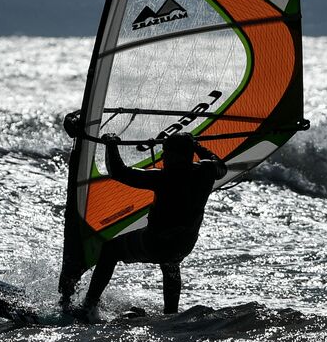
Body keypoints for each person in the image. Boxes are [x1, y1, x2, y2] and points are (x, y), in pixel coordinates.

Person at [72, 131, 226, 319]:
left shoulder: (163, 177)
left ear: (177, 156)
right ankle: (171, 314)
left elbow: (118, 172)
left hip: (155, 243)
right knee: (171, 260)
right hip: (184, 244)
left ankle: (88, 307)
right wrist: (195, 146)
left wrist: (111, 144)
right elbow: (220, 165)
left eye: (166, 152)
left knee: (111, 249)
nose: (163, 156)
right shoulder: (207, 171)